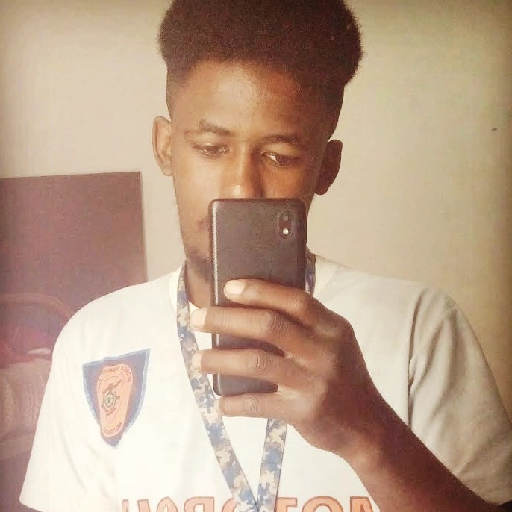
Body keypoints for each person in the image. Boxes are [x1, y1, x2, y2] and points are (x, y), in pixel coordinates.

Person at [20, 1, 512, 511]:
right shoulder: (95, 338)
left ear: (326, 167)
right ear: (165, 147)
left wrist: (369, 433)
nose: (241, 187)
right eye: (211, 147)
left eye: (280, 157)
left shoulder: (419, 327)